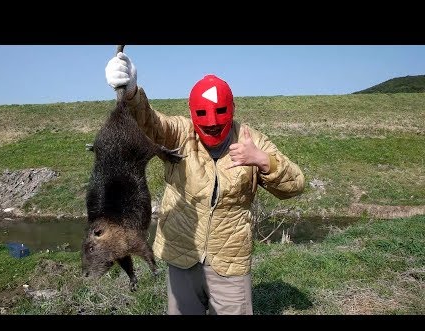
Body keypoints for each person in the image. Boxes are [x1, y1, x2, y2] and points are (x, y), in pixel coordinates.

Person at [104, 50, 305, 315]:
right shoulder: (180, 135)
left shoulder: (250, 139)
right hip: (182, 255)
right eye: (203, 114)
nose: (211, 123)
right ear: (192, 112)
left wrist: (263, 160)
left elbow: (295, 185)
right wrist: (131, 94)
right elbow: (150, 123)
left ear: (232, 109)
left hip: (230, 261)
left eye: (220, 112)